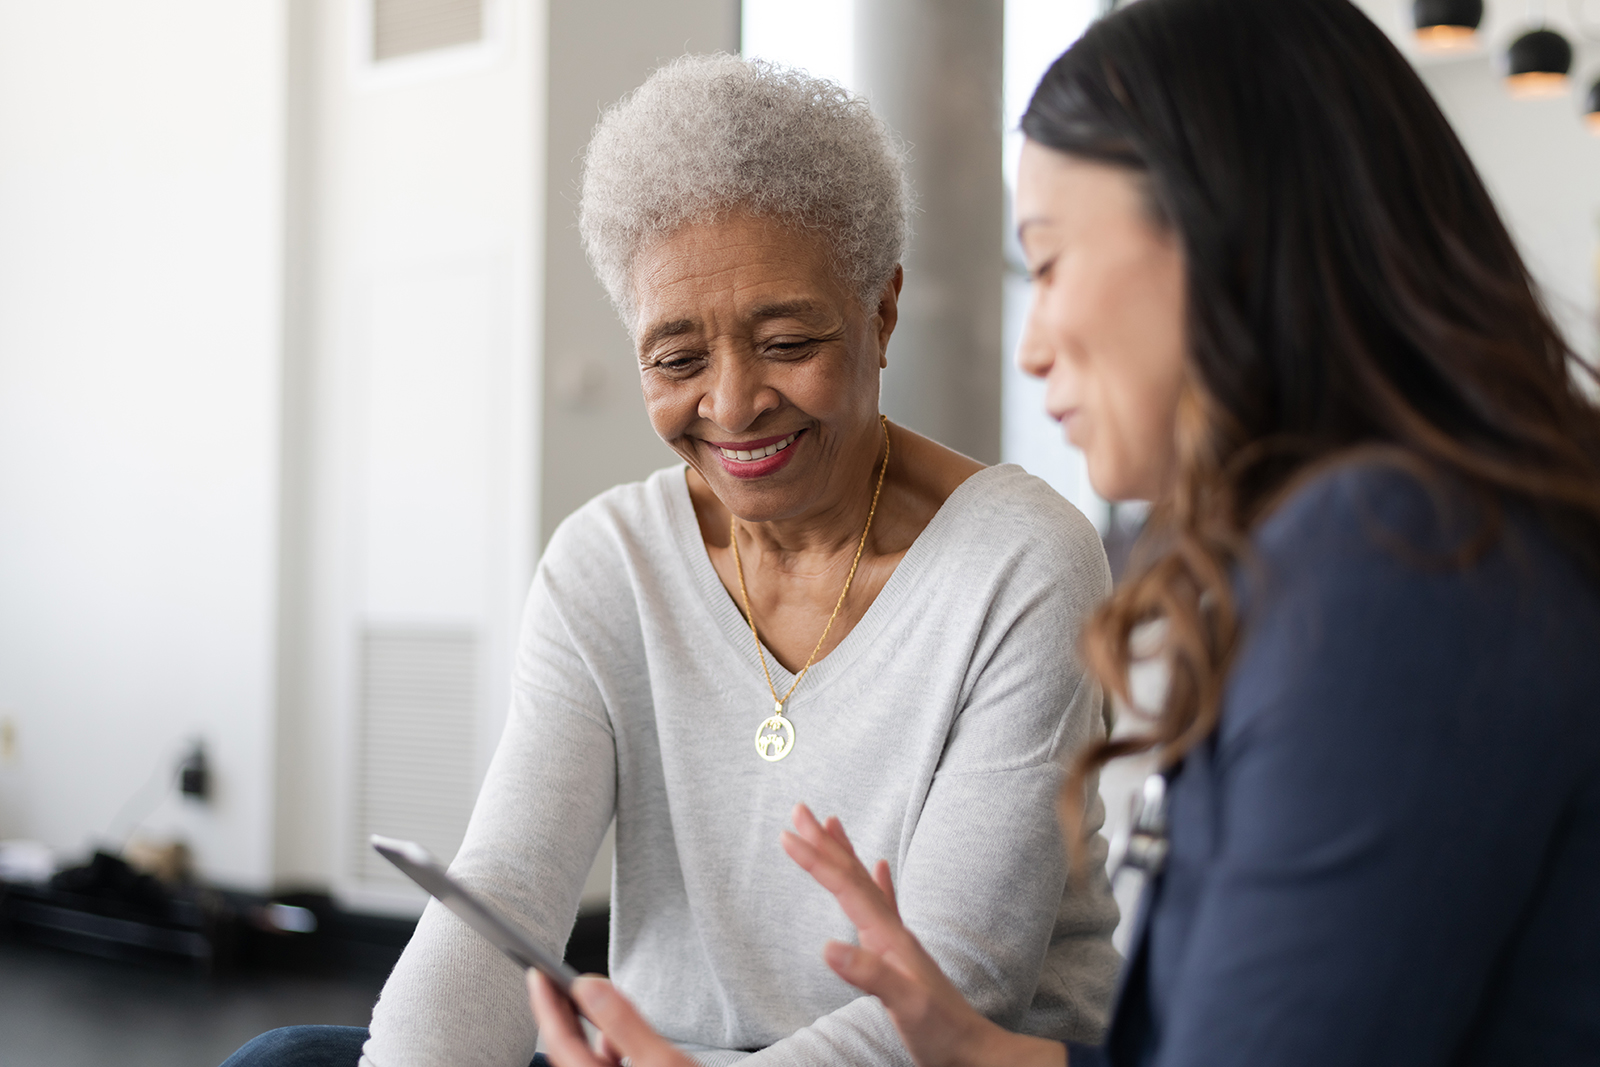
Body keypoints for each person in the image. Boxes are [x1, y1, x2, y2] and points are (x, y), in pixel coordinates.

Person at [531, 1, 1600, 1064]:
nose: (1032, 345)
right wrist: (978, 1050)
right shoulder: (1407, 536)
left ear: (1223, 237)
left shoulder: (1391, 563)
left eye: (1045, 264)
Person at [221, 55, 1121, 1067]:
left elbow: (956, 988)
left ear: (881, 309)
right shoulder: (607, 562)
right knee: (288, 1059)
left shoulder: (1020, 561)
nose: (731, 406)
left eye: (786, 341)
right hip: (661, 1054)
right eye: (679, 359)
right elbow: (506, 887)